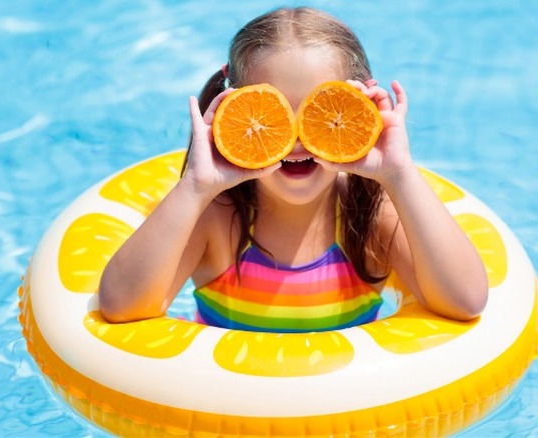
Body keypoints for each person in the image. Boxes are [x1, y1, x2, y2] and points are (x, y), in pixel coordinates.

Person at [98, 7, 488, 331]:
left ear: (359, 109)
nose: (298, 141)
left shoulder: (370, 216)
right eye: (273, 114)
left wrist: (399, 173)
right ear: (233, 108)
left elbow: (465, 301)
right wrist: (197, 186)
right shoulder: (216, 218)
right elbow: (122, 307)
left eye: (320, 113)